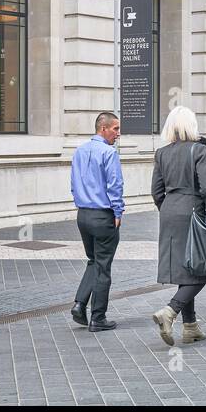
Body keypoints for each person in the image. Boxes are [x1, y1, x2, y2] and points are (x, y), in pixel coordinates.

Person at [150, 107, 206, 346]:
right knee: (204, 267)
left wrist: (168, 208)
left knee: (186, 268)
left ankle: (190, 327)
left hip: (169, 211)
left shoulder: (161, 153)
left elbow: (156, 191)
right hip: (193, 211)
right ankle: (171, 311)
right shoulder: (198, 150)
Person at [69, 112, 125, 332]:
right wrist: (118, 212)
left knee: (94, 260)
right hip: (103, 215)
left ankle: (80, 303)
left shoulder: (79, 151)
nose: (118, 134)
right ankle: (98, 318)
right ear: (103, 129)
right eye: (115, 129)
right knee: (103, 267)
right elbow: (115, 185)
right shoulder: (109, 153)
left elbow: (73, 183)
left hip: (83, 215)